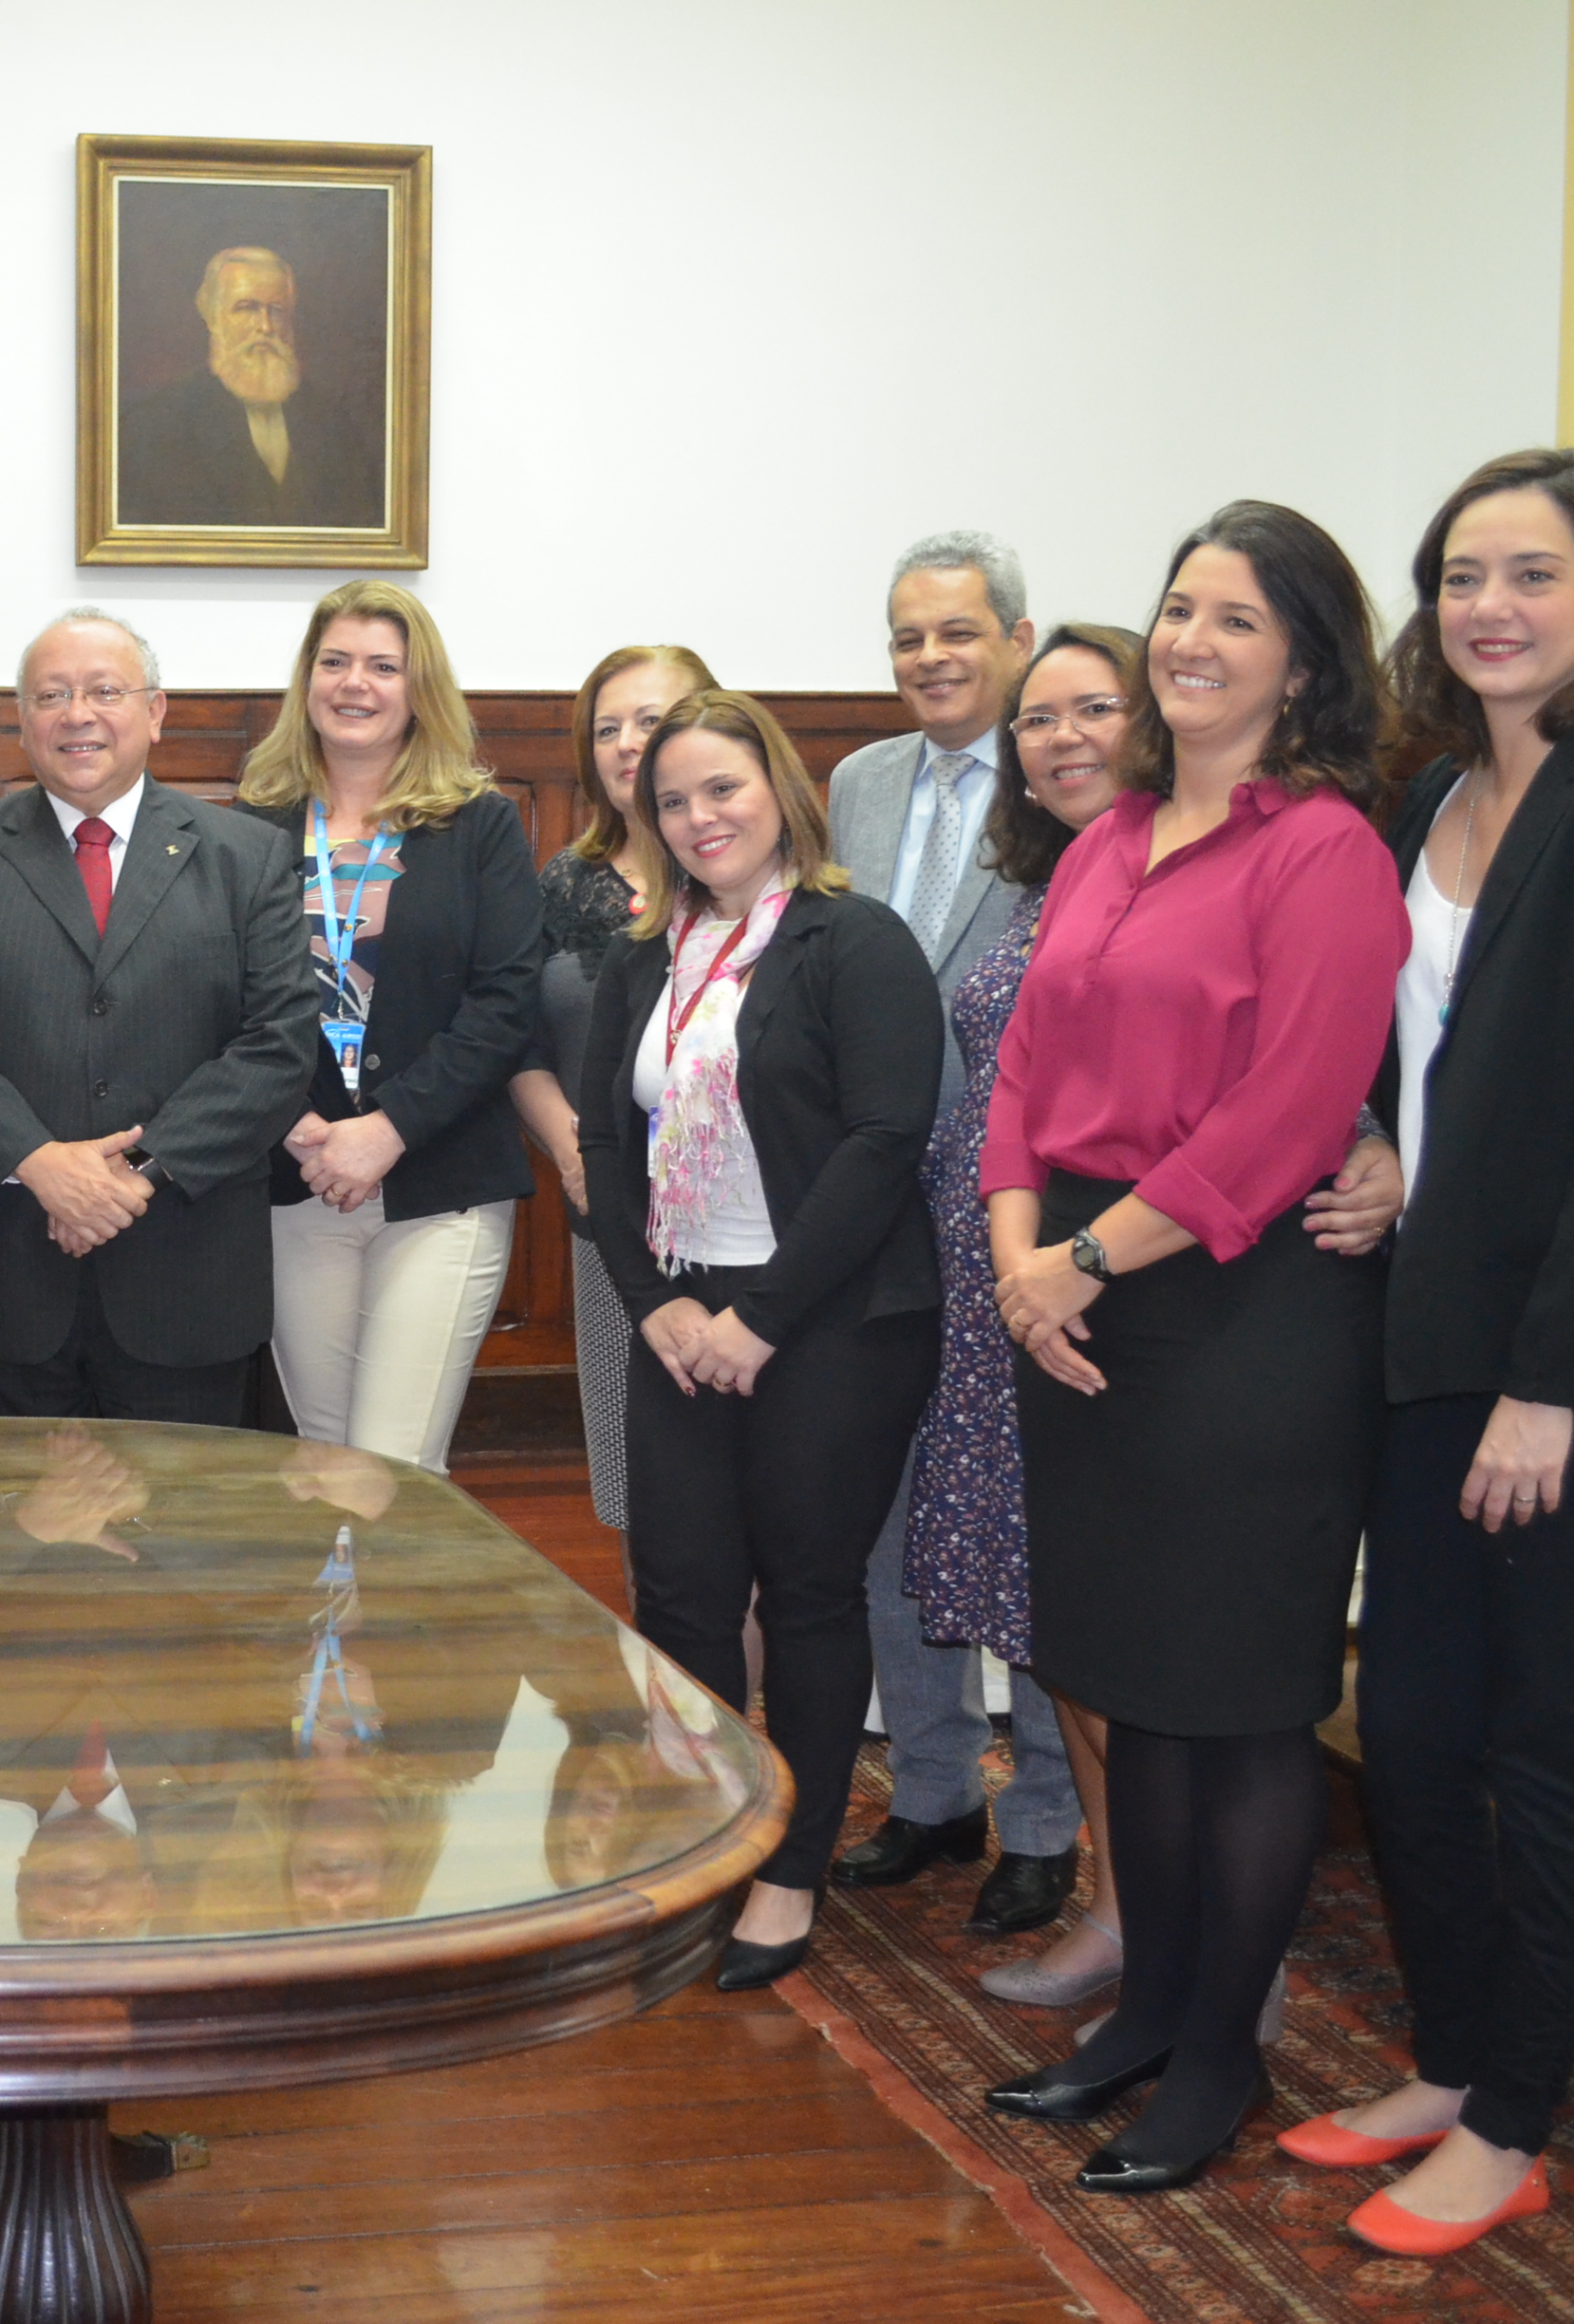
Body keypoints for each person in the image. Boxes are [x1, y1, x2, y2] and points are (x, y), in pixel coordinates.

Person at [1284, 449, 1574, 2257]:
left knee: (1546, 1737)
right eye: (1463, 575)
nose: (1491, 607)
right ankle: (1454, 2057)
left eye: (1534, 574)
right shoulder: (1426, 793)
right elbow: (1422, 1046)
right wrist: (1392, 1150)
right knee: (1406, 1723)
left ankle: (1517, 2122)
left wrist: (1550, 1386)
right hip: (1435, 1331)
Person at [977, 501, 1404, 2194]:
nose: (1191, 641)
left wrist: (1078, 1261)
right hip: (1077, 1296)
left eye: (1235, 617)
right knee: (1136, 1693)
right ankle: (1146, 2012)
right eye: (1177, 608)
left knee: (1235, 1706)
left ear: (1303, 660)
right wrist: (1021, 1262)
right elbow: (1022, 1070)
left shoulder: (1327, 852)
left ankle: (1221, 2051)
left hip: (1240, 1311)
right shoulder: (1110, 837)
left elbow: (1292, 1113)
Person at [575, 688, 946, 1992]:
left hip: (829, 1323)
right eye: (673, 800)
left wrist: (764, 1317)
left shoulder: (855, 940)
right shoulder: (644, 957)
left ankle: (790, 1873)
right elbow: (603, 1144)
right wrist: (655, 1303)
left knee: (804, 1596)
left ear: (780, 790)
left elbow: (883, 1141)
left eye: (722, 789)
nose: (699, 817)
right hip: (681, 1316)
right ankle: (704, 1850)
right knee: (680, 1597)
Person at [815, 534, 1087, 1939]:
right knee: (885, 1494)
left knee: (1020, 1510)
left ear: (1020, 639)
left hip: (1016, 1207)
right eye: (908, 636)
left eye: (960, 632)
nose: (930, 658)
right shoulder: (857, 783)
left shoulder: (1075, 789)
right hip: (871, 1206)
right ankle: (930, 1789)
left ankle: (1044, 1814)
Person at [0, 610, 322, 1420]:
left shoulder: (246, 856)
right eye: (51, 695)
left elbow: (278, 1043)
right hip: (0, 1280)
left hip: (185, 1278)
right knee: (8, 1505)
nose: (77, 714)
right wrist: (41, 1164)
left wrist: (131, 1175)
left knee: (180, 1505)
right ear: (22, 722)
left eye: (105, 691)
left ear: (155, 712)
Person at [234, 580, 542, 1471]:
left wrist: (389, 1129)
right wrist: (289, 1120)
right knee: (326, 1461)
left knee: (393, 1469)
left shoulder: (480, 825)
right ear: (307, 679)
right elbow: (219, 997)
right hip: (300, 1176)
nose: (354, 683)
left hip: (439, 1181)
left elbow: (506, 1000)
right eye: (335, 661)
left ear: (419, 688)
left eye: (383, 666)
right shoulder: (253, 828)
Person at [514, 644, 718, 1532]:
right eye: (607, 729)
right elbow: (519, 1044)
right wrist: (576, 1154)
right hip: (610, 1227)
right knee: (636, 1491)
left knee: (747, 1493)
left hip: (749, 1234)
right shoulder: (564, 882)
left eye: (651, 719)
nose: (628, 743)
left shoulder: (751, 876)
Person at [116, 247, 381, 530]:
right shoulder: (156, 425)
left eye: (276, 310)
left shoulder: (331, 424)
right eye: (246, 308)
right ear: (211, 315)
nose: (265, 326)